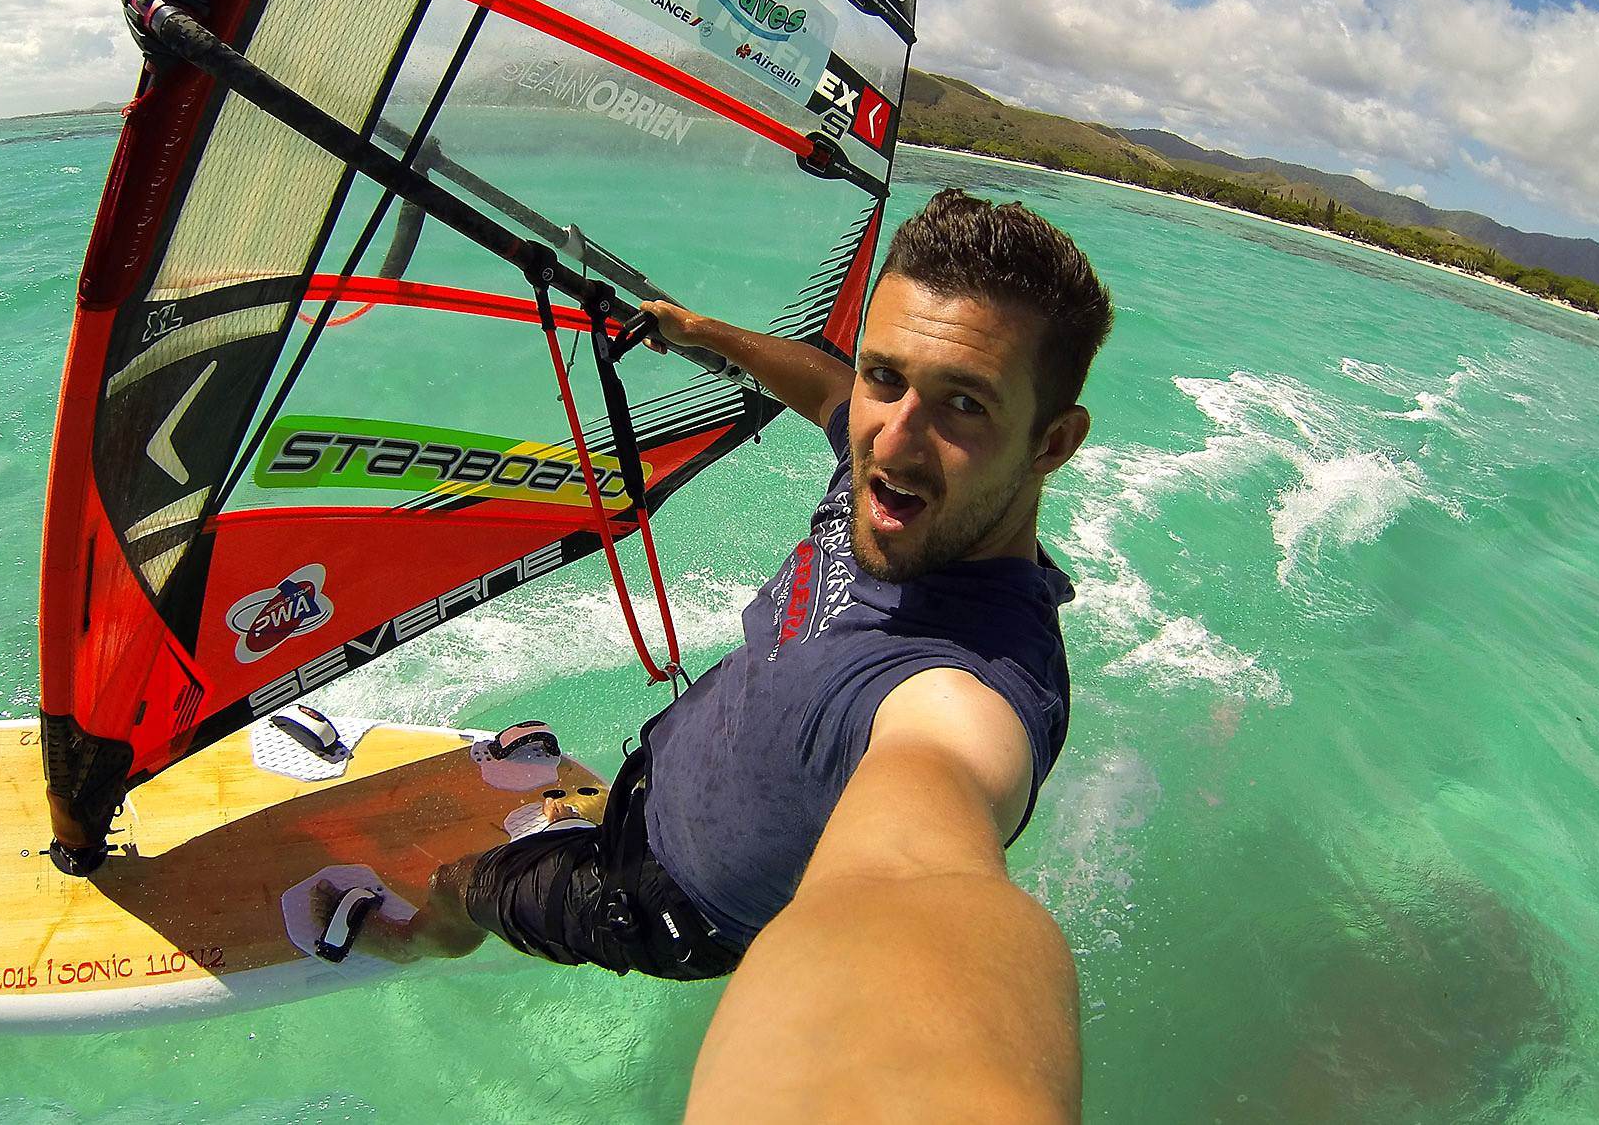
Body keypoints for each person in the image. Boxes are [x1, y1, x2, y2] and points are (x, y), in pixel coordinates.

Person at [318, 189, 1110, 1114]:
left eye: (963, 404)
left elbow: (920, 876)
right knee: (625, 793)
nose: (892, 441)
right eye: (886, 375)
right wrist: (708, 335)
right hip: (666, 772)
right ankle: (590, 810)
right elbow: (827, 388)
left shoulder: (962, 694)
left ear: (1053, 442)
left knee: (468, 883)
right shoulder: (892, 476)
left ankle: (426, 932)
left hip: (667, 903)